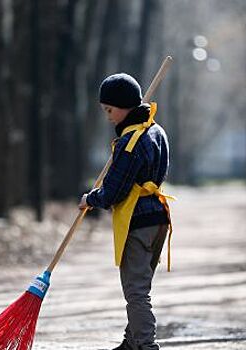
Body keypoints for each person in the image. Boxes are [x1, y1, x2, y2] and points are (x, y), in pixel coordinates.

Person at [78, 73, 174, 350]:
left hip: (138, 221)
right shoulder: (155, 130)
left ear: (124, 106)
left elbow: (113, 192)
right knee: (141, 286)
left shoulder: (130, 143)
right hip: (159, 218)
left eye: (110, 109)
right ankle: (131, 342)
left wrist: (90, 199)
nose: (108, 116)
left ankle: (146, 344)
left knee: (135, 291)